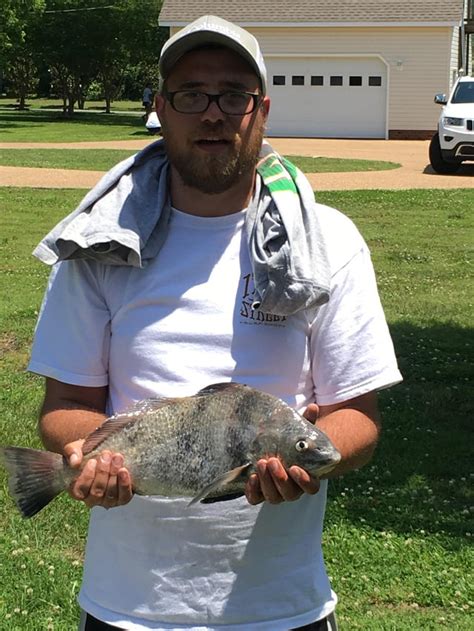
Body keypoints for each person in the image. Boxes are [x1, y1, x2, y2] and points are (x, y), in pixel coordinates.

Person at [28, 14, 402, 631]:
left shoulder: (327, 242)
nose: (213, 113)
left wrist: (311, 460)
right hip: (129, 610)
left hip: (283, 609)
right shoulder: (99, 247)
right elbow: (65, 403)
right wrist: (88, 455)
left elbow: (357, 415)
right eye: (191, 95)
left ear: (262, 110)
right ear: (160, 108)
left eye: (234, 94)